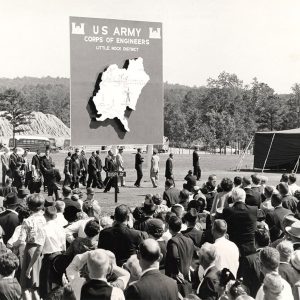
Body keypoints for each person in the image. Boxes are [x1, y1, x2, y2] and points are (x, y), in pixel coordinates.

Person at [18, 193, 46, 300]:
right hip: (44, 250)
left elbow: (21, 240)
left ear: (29, 206)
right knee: (36, 285)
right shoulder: (46, 218)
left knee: (25, 286)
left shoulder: (28, 221)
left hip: (31, 250)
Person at [39, 206, 66, 299]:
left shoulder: (43, 228)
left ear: (44, 215)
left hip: (49, 257)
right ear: (55, 216)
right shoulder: (61, 228)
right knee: (58, 284)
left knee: (47, 285)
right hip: (60, 255)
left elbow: (39, 247)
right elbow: (64, 245)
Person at [237, 223, 271, 298]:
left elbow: (246, 287)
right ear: (269, 242)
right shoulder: (274, 256)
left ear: (255, 242)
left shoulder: (249, 259)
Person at [223, 187, 258, 257]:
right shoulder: (254, 210)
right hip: (250, 247)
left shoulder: (228, 211)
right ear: (244, 198)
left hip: (234, 247)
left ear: (232, 199)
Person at [165, 215, 194, 296]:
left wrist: (175, 272)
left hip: (176, 279)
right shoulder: (189, 240)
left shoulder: (172, 241)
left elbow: (174, 256)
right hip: (186, 277)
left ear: (169, 227)